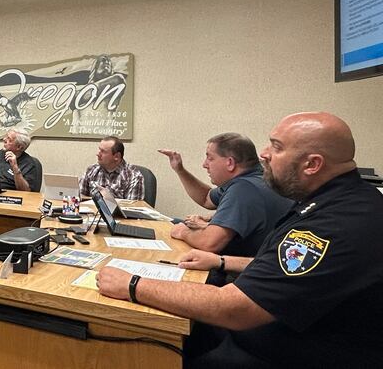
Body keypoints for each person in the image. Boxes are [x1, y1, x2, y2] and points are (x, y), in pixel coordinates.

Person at [97, 112, 383, 368]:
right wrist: (222, 261)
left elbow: (236, 309)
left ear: (312, 164)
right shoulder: (332, 201)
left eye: (277, 146)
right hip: (271, 332)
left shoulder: (335, 223)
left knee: (138, 340)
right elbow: (286, 266)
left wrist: (133, 284)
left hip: (281, 351)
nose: (264, 154)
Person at [158, 133, 292, 257]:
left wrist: (182, 232)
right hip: (256, 261)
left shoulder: (244, 189)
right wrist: (180, 170)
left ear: (230, 163)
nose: (205, 165)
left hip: (242, 272)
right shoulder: (254, 177)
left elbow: (209, 243)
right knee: (173, 222)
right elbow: (206, 198)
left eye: (210, 158)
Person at [79, 136, 144, 200]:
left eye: (103, 151)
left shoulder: (133, 176)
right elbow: (78, 196)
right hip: (91, 210)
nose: (98, 154)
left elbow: (132, 207)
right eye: (99, 149)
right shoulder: (91, 170)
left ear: (116, 156)